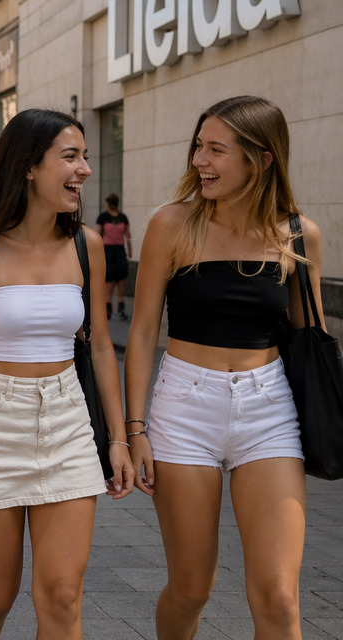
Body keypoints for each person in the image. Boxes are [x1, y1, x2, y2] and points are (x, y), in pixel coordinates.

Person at [0, 108, 133, 639]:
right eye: (70, 156)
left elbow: (102, 347)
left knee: (62, 595)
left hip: (66, 418)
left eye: (85, 156)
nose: (84, 169)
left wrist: (122, 438)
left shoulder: (86, 245)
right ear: (28, 167)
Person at [125, 96, 319, 640]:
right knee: (191, 588)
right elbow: (141, 334)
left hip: (269, 408)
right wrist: (134, 429)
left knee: (280, 599)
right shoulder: (172, 224)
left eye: (215, 150)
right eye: (197, 146)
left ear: (261, 160)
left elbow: (310, 340)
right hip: (185, 406)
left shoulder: (299, 235)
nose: (199, 161)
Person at [96, 193, 132, 320]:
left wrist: (130, 252)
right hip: (107, 250)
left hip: (119, 250)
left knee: (121, 277)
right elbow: (97, 236)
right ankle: (109, 305)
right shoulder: (103, 217)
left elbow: (128, 236)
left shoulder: (123, 217)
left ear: (109, 203)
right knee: (109, 279)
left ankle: (119, 304)